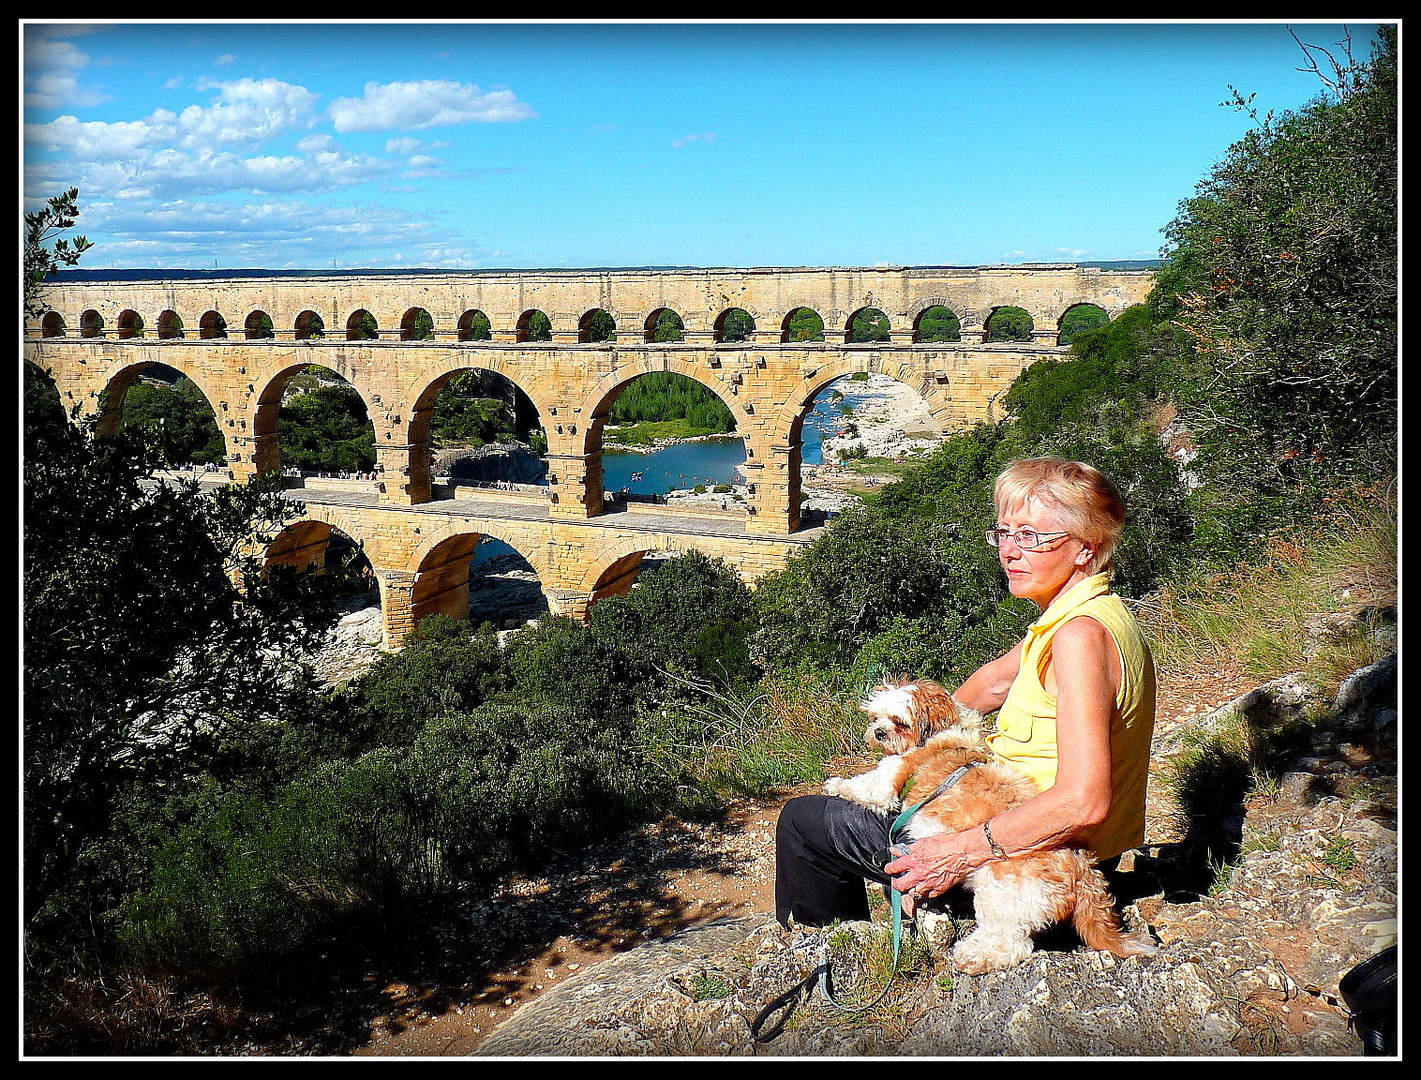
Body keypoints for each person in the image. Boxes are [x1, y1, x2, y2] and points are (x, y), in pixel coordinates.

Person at [774, 456, 1156, 928]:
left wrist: (956, 852)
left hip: (1032, 857)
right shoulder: (1088, 614)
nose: (1010, 551)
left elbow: (1084, 800)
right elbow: (994, 683)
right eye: (1004, 532)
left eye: (1032, 536)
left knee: (805, 823)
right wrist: (921, 726)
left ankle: (830, 953)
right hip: (1054, 841)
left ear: (1085, 547)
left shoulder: (1078, 637)